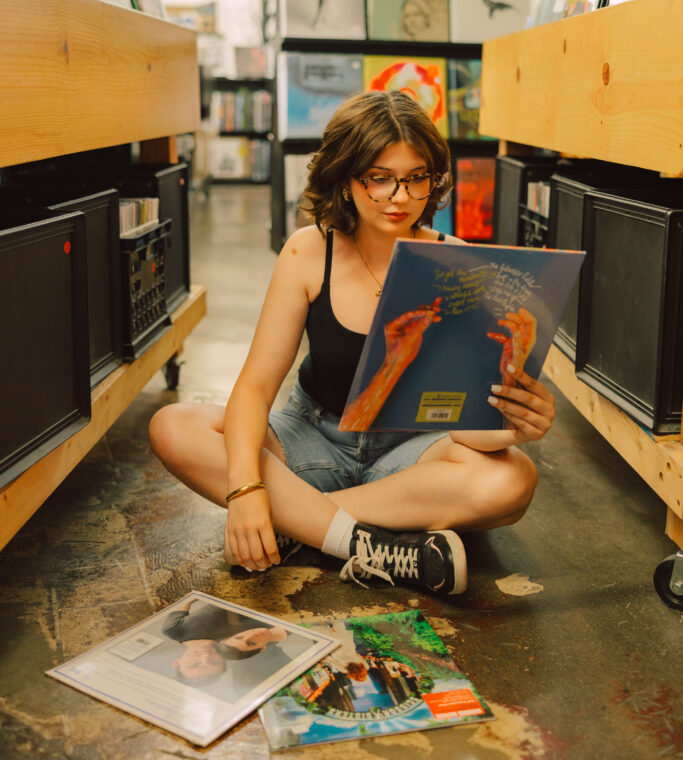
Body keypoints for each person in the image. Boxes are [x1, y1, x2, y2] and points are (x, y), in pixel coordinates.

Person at [149, 91, 554, 596]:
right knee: (174, 426)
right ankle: (371, 543)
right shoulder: (307, 252)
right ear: (345, 178)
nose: (400, 196)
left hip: (410, 454)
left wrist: (515, 425)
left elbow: (468, 430)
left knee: (513, 480)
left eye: (416, 177)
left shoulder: (460, 264)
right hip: (311, 438)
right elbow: (254, 389)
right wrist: (247, 488)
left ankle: (302, 524)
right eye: (379, 177)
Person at [162, 596, 288, 685]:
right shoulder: (243, 645)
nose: (206, 657)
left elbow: (185, 597)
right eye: (215, 663)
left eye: (195, 664)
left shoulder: (173, 629)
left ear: (177, 662)